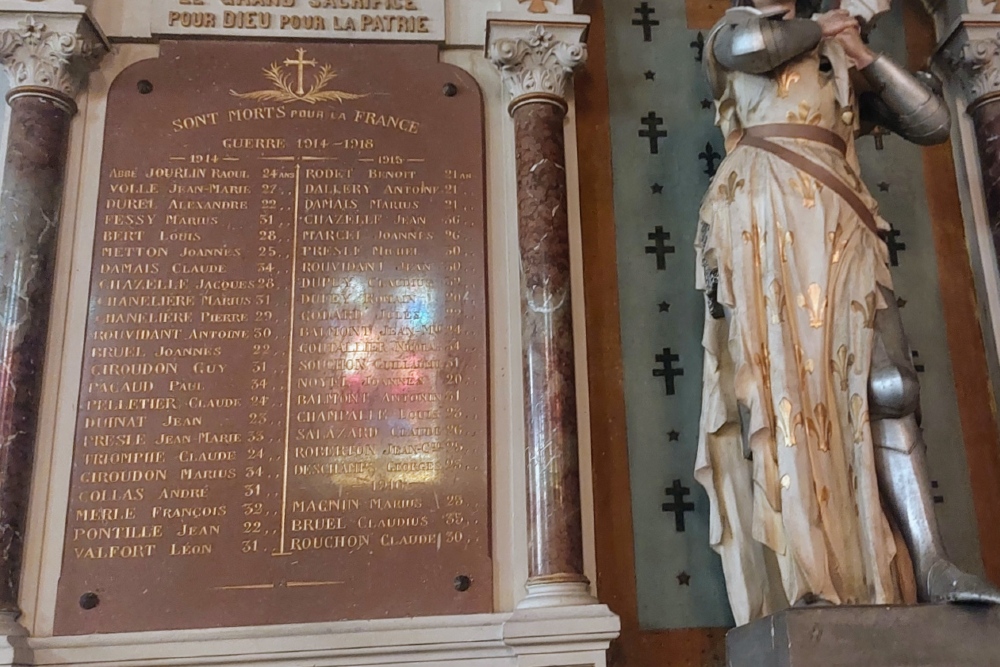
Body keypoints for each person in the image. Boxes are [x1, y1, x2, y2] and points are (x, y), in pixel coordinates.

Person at [693, 0, 1000, 625]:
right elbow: (749, 49)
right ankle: (806, 572)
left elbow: (933, 121)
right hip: (768, 214)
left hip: (844, 218)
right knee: (787, 389)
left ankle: (933, 562)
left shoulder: (836, 49)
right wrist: (826, 26)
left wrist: (863, 53)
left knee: (890, 385)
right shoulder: (733, 26)